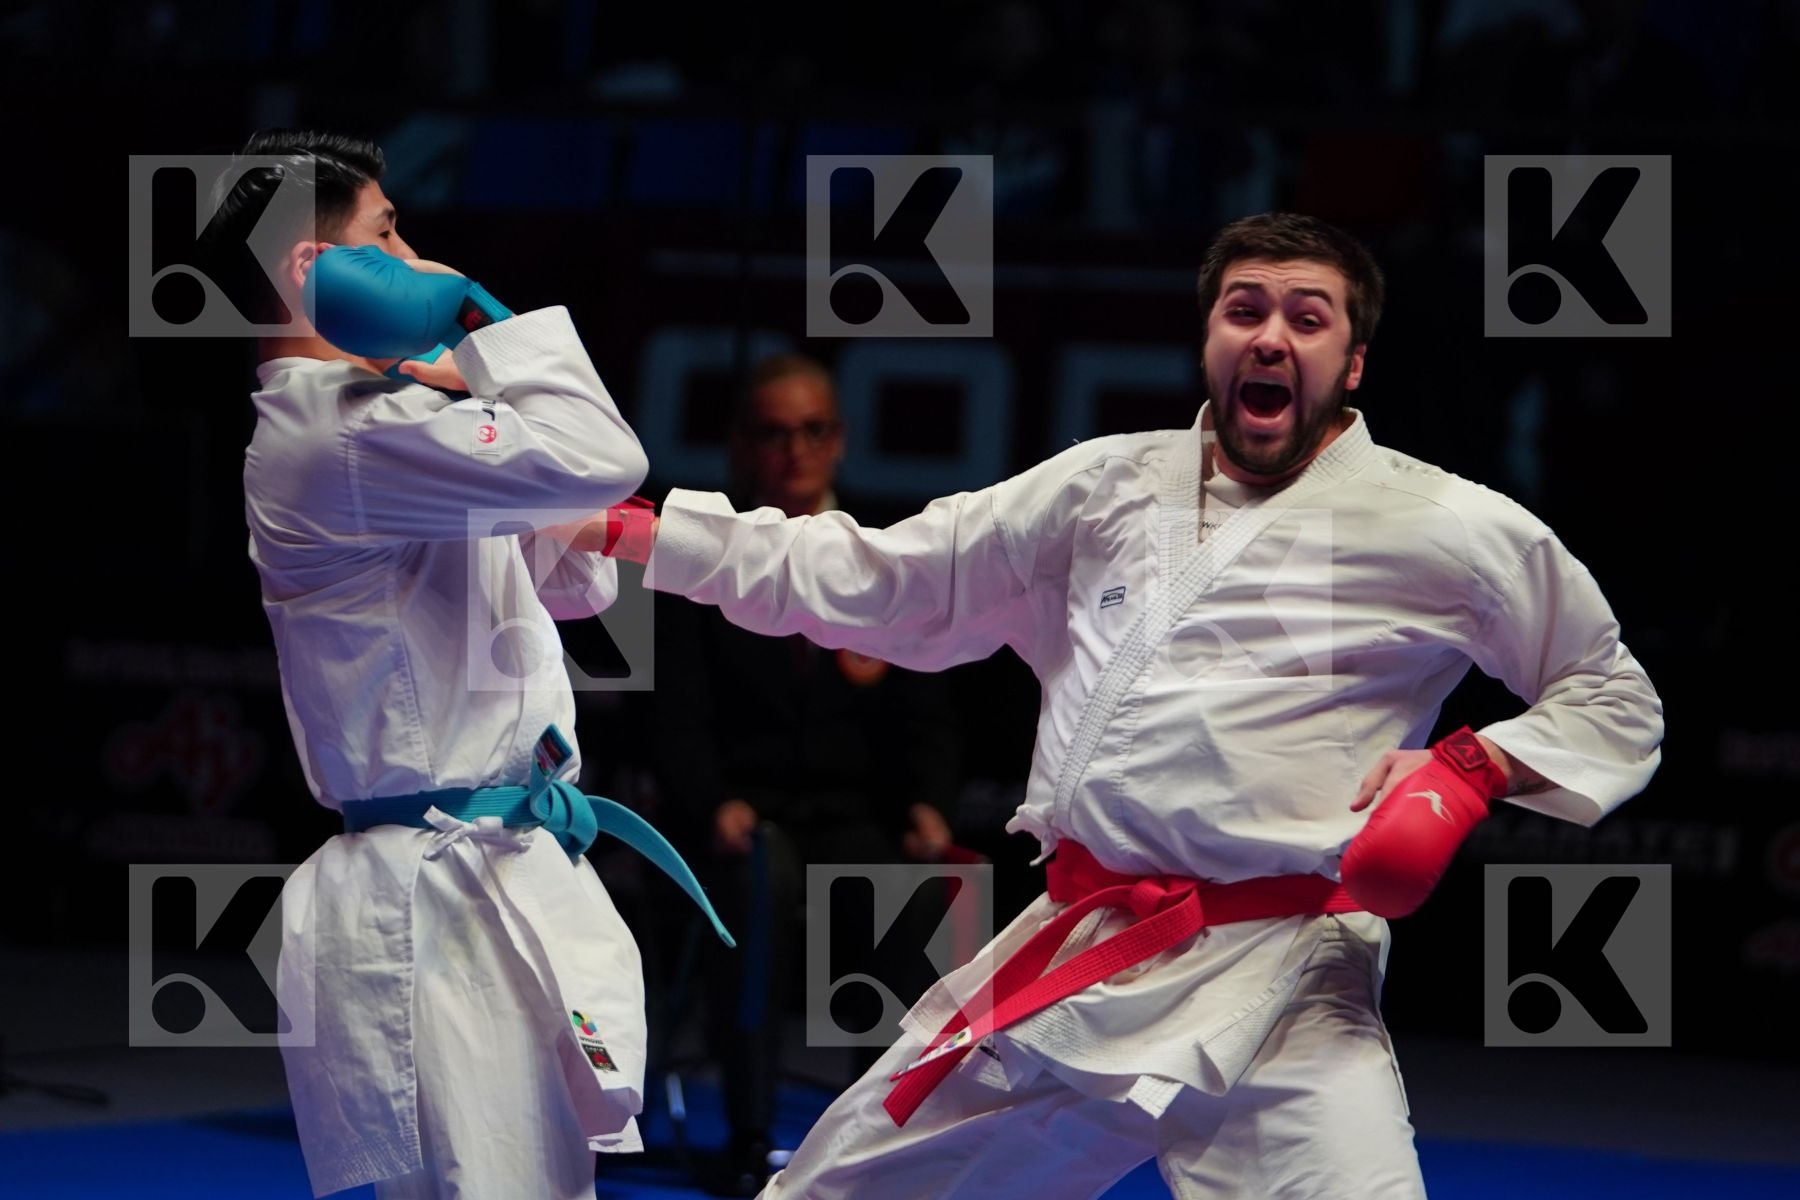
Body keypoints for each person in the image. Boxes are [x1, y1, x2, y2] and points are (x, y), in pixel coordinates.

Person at [596, 212, 1665, 1198]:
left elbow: (1613, 695)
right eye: (1245, 309)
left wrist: (1469, 769)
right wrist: (654, 536)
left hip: (1285, 978)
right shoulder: (1100, 488)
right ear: (1207, 337)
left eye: (1308, 316)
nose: (1271, 336)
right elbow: (884, 578)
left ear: (1353, 361)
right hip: (1084, 948)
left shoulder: (1442, 523)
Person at [225, 129, 724, 1199]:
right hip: (434, 896)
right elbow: (608, 456)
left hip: (493, 870)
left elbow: (574, 586)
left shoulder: (382, 423)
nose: (415, 253)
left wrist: (459, 387)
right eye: (388, 232)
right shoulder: (334, 435)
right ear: (323, 272)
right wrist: (481, 314)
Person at [650, 353, 961, 1194]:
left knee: (908, 886)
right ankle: (750, 1136)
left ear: (840, 440)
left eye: (813, 430)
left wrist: (930, 804)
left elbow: (927, 710)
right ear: (741, 446)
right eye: (774, 433)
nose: (796, 450)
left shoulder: (884, 552)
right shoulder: (700, 560)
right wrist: (711, 800)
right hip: (744, 817)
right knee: (757, 880)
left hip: (854, 811)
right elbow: (674, 718)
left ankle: (882, 1132)